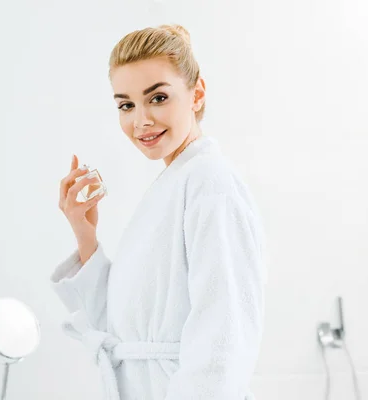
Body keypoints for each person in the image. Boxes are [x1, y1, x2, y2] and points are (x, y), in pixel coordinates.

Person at [51, 23, 267, 400]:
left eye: (158, 98)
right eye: (126, 105)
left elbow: (222, 341)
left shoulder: (209, 183)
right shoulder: (176, 181)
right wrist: (85, 234)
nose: (141, 120)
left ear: (196, 94)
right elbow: (121, 327)